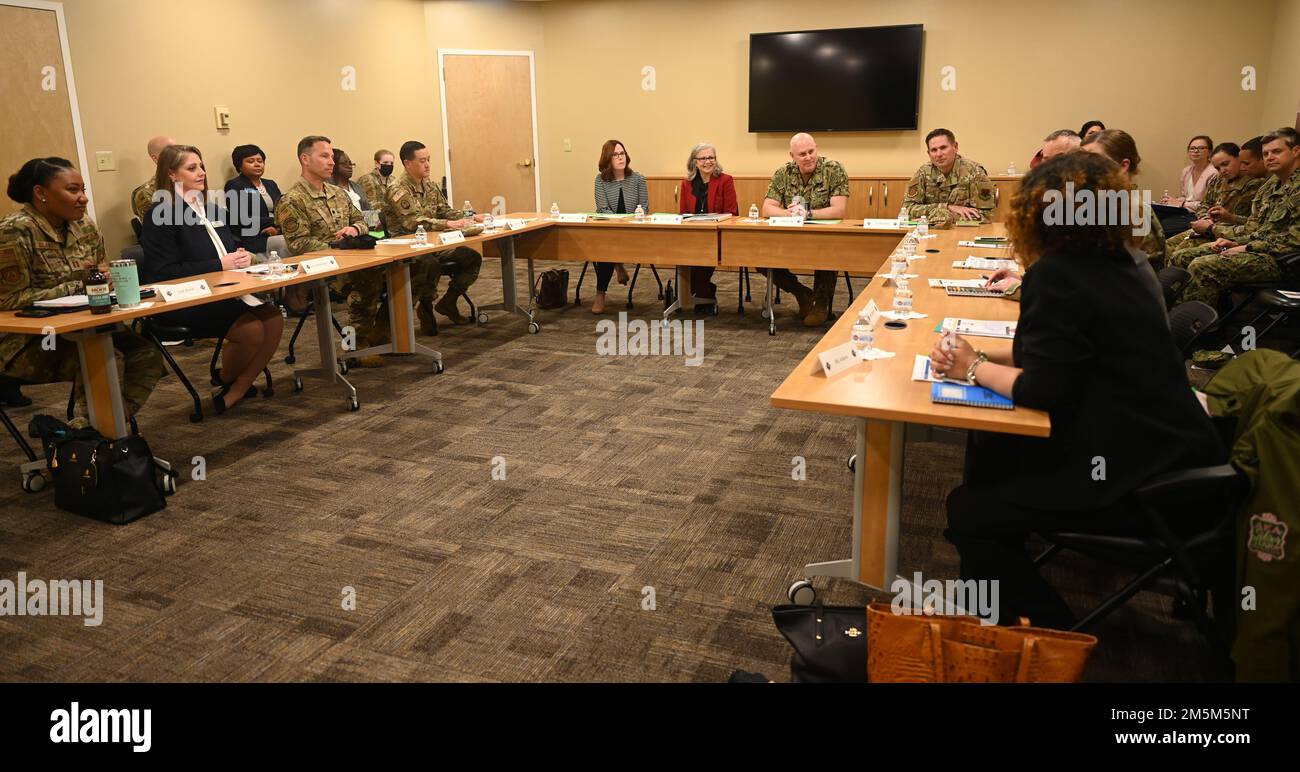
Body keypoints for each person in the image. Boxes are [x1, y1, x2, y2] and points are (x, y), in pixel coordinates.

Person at [928, 151, 1223, 630]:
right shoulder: (1126, 261)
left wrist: (973, 365)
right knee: (990, 450)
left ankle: (1041, 632)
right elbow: (1069, 356)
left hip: (1144, 482)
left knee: (971, 507)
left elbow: (1044, 389)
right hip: (1183, 454)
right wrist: (977, 355)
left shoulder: (1060, 273)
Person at [1, 158, 162, 426]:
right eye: (72, 190)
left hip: (87, 325)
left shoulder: (84, 226)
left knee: (146, 355)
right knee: (104, 360)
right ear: (41, 193)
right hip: (28, 340)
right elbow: (7, 301)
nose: (83, 198)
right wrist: (78, 287)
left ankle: (97, 429)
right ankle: (103, 435)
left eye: (83, 190)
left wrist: (108, 279)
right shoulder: (14, 232)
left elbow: (99, 273)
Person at [139, 145, 283, 414]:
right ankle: (231, 382)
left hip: (225, 290)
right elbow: (163, 273)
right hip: (186, 299)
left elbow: (227, 248)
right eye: (192, 168)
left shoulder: (212, 208)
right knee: (251, 329)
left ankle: (237, 385)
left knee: (273, 319)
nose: (202, 173)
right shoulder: (161, 214)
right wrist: (218, 264)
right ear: (171, 174)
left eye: (201, 166)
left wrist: (239, 256)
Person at [277, 135, 381, 361]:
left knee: (400, 270)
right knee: (365, 281)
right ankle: (354, 343)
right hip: (321, 267)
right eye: (324, 156)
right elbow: (299, 244)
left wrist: (354, 229)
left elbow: (366, 221)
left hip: (352, 258)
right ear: (305, 159)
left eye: (332, 157)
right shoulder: (292, 200)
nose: (331, 162)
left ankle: (382, 332)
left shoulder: (339, 193)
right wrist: (339, 247)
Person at [1170, 128, 1300, 309]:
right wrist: (1233, 243)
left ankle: (1199, 329)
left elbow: (1292, 242)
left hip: (1282, 261)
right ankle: (1181, 314)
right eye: (1266, 153)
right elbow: (1254, 227)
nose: (1269, 157)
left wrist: (1245, 246)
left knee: (1202, 266)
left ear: (1295, 151)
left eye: (1276, 151)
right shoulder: (1270, 185)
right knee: (1183, 256)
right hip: (1257, 248)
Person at [381, 140, 484, 327]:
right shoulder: (397, 189)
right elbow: (412, 221)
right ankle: (423, 308)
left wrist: (471, 216)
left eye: (428, 159)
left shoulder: (430, 185)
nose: (427, 164)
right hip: (408, 248)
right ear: (407, 163)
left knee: (471, 257)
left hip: (434, 243)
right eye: (422, 161)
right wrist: (448, 223)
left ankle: (448, 302)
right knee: (430, 264)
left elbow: (445, 211)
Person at [760, 133, 849, 326]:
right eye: (802, 154)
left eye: (811, 151)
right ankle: (801, 293)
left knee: (828, 250)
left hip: (824, 237)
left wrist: (807, 214)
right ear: (792, 156)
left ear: (816, 148)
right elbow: (767, 208)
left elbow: (839, 210)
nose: (808, 157)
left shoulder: (833, 170)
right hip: (790, 236)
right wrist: (790, 214)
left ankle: (821, 304)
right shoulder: (783, 173)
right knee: (759, 255)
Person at [1081, 128, 1167, 268]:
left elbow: (1139, 272)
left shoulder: (1133, 211)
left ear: (1123, 165)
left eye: (1095, 160)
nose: (1083, 168)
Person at [1165, 141, 1266, 253]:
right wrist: (1206, 219)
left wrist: (1227, 219)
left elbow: (1251, 223)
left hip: (1231, 232)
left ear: (1239, 158)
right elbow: (1204, 205)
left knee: (1180, 252)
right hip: (1209, 227)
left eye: (1225, 164)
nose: (1222, 170)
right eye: (1217, 168)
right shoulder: (1218, 180)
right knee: (1168, 245)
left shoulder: (1254, 182)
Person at [677, 142, 737, 306]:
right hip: (692, 235)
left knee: (701, 260)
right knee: (682, 253)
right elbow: (682, 214)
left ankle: (703, 294)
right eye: (703, 158)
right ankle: (702, 293)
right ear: (694, 162)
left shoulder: (726, 180)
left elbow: (732, 214)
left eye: (711, 157)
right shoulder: (686, 184)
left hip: (716, 235)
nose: (708, 161)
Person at [590, 139, 645, 313]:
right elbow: (603, 209)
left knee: (609, 247)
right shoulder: (600, 181)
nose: (620, 157)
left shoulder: (638, 179)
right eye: (615, 155)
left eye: (622, 153)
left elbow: (645, 207)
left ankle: (617, 264)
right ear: (607, 159)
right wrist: (619, 223)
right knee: (606, 248)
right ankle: (600, 294)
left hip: (634, 230)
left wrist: (631, 221)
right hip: (610, 230)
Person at [902, 128, 997, 228]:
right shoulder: (923, 173)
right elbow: (907, 209)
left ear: (955, 147)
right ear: (929, 153)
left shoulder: (975, 173)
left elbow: (986, 216)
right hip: (930, 233)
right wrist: (947, 207)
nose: (939, 154)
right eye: (934, 150)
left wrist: (943, 217)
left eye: (943, 148)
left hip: (965, 232)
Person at [223, 144, 282, 257]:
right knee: (287, 243)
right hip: (254, 238)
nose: (257, 164)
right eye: (250, 161)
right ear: (239, 165)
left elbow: (283, 211)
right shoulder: (234, 185)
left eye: (260, 161)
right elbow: (241, 219)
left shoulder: (271, 184)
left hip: (277, 232)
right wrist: (274, 222)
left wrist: (277, 228)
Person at [1163, 135, 1217, 210]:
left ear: (1210, 152)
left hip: (1202, 215)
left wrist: (1182, 203)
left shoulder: (1214, 172)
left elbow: (1210, 204)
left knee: (1166, 221)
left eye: (1201, 148)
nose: (1196, 151)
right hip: (1185, 211)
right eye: (1192, 148)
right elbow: (1185, 197)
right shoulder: (1186, 171)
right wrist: (1172, 201)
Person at [130, 135, 175, 221]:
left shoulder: (188, 182)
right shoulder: (146, 193)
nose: (178, 154)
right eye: (170, 151)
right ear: (156, 158)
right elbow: (160, 230)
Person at [331, 148, 370, 213]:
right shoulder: (329, 187)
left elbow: (367, 211)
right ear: (334, 165)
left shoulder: (358, 187)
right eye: (344, 163)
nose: (349, 166)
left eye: (350, 163)